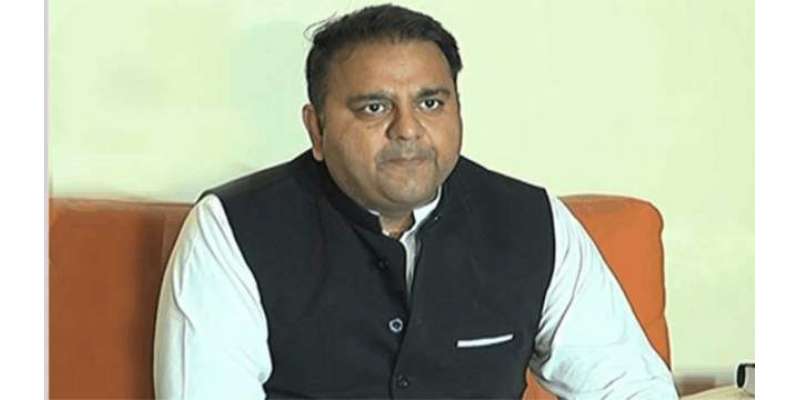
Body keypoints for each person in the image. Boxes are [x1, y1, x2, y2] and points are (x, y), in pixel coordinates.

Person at [154, 4, 679, 399]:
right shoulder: (232, 229)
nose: (407, 129)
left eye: (430, 103)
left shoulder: (533, 222)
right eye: (374, 107)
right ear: (317, 129)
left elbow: (628, 386)